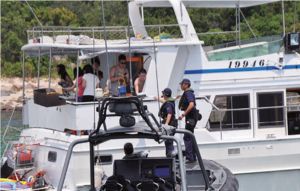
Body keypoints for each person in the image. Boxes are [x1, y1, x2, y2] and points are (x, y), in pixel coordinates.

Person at [176, 78, 197, 162]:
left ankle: (190, 157)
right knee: (190, 136)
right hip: (191, 117)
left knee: (187, 137)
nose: (181, 86)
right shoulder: (188, 93)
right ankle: (193, 156)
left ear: (186, 85)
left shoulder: (188, 93)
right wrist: (180, 96)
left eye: (182, 84)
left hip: (190, 117)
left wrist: (183, 114)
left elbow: (191, 104)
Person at [154, 88, 177, 156]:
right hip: (172, 123)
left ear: (164, 94)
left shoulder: (168, 104)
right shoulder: (170, 101)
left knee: (169, 142)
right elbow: (164, 101)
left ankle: (171, 158)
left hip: (169, 124)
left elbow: (169, 114)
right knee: (167, 141)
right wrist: (157, 98)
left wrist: (166, 124)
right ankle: (169, 157)